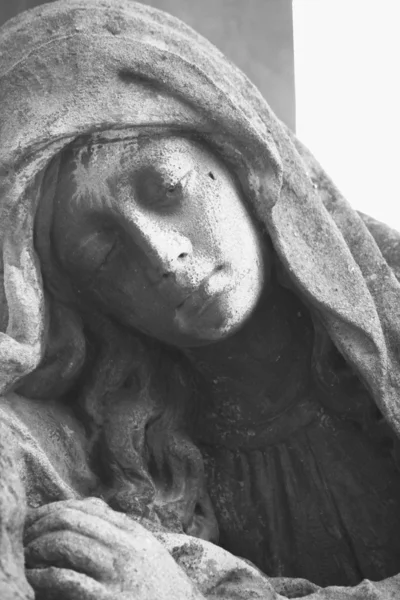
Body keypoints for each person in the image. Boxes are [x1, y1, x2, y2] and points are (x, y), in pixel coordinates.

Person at [1, 1, 400, 598]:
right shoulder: (128, 445)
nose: (163, 258)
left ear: (236, 155)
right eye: (103, 257)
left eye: (167, 188)